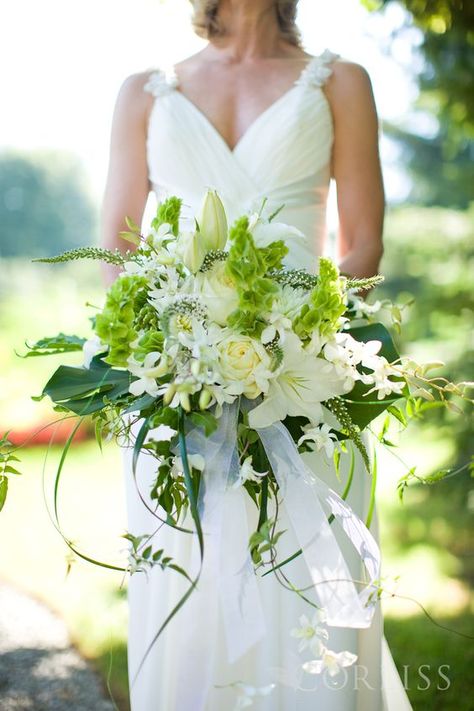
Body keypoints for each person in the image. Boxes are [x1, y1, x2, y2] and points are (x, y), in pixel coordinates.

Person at [101, 1, 412, 709]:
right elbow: (117, 249)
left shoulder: (342, 83)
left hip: (310, 383)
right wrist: (178, 348)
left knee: (307, 595)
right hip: (177, 387)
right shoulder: (144, 91)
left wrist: (291, 336)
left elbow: (362, 245)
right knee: (191, 593)